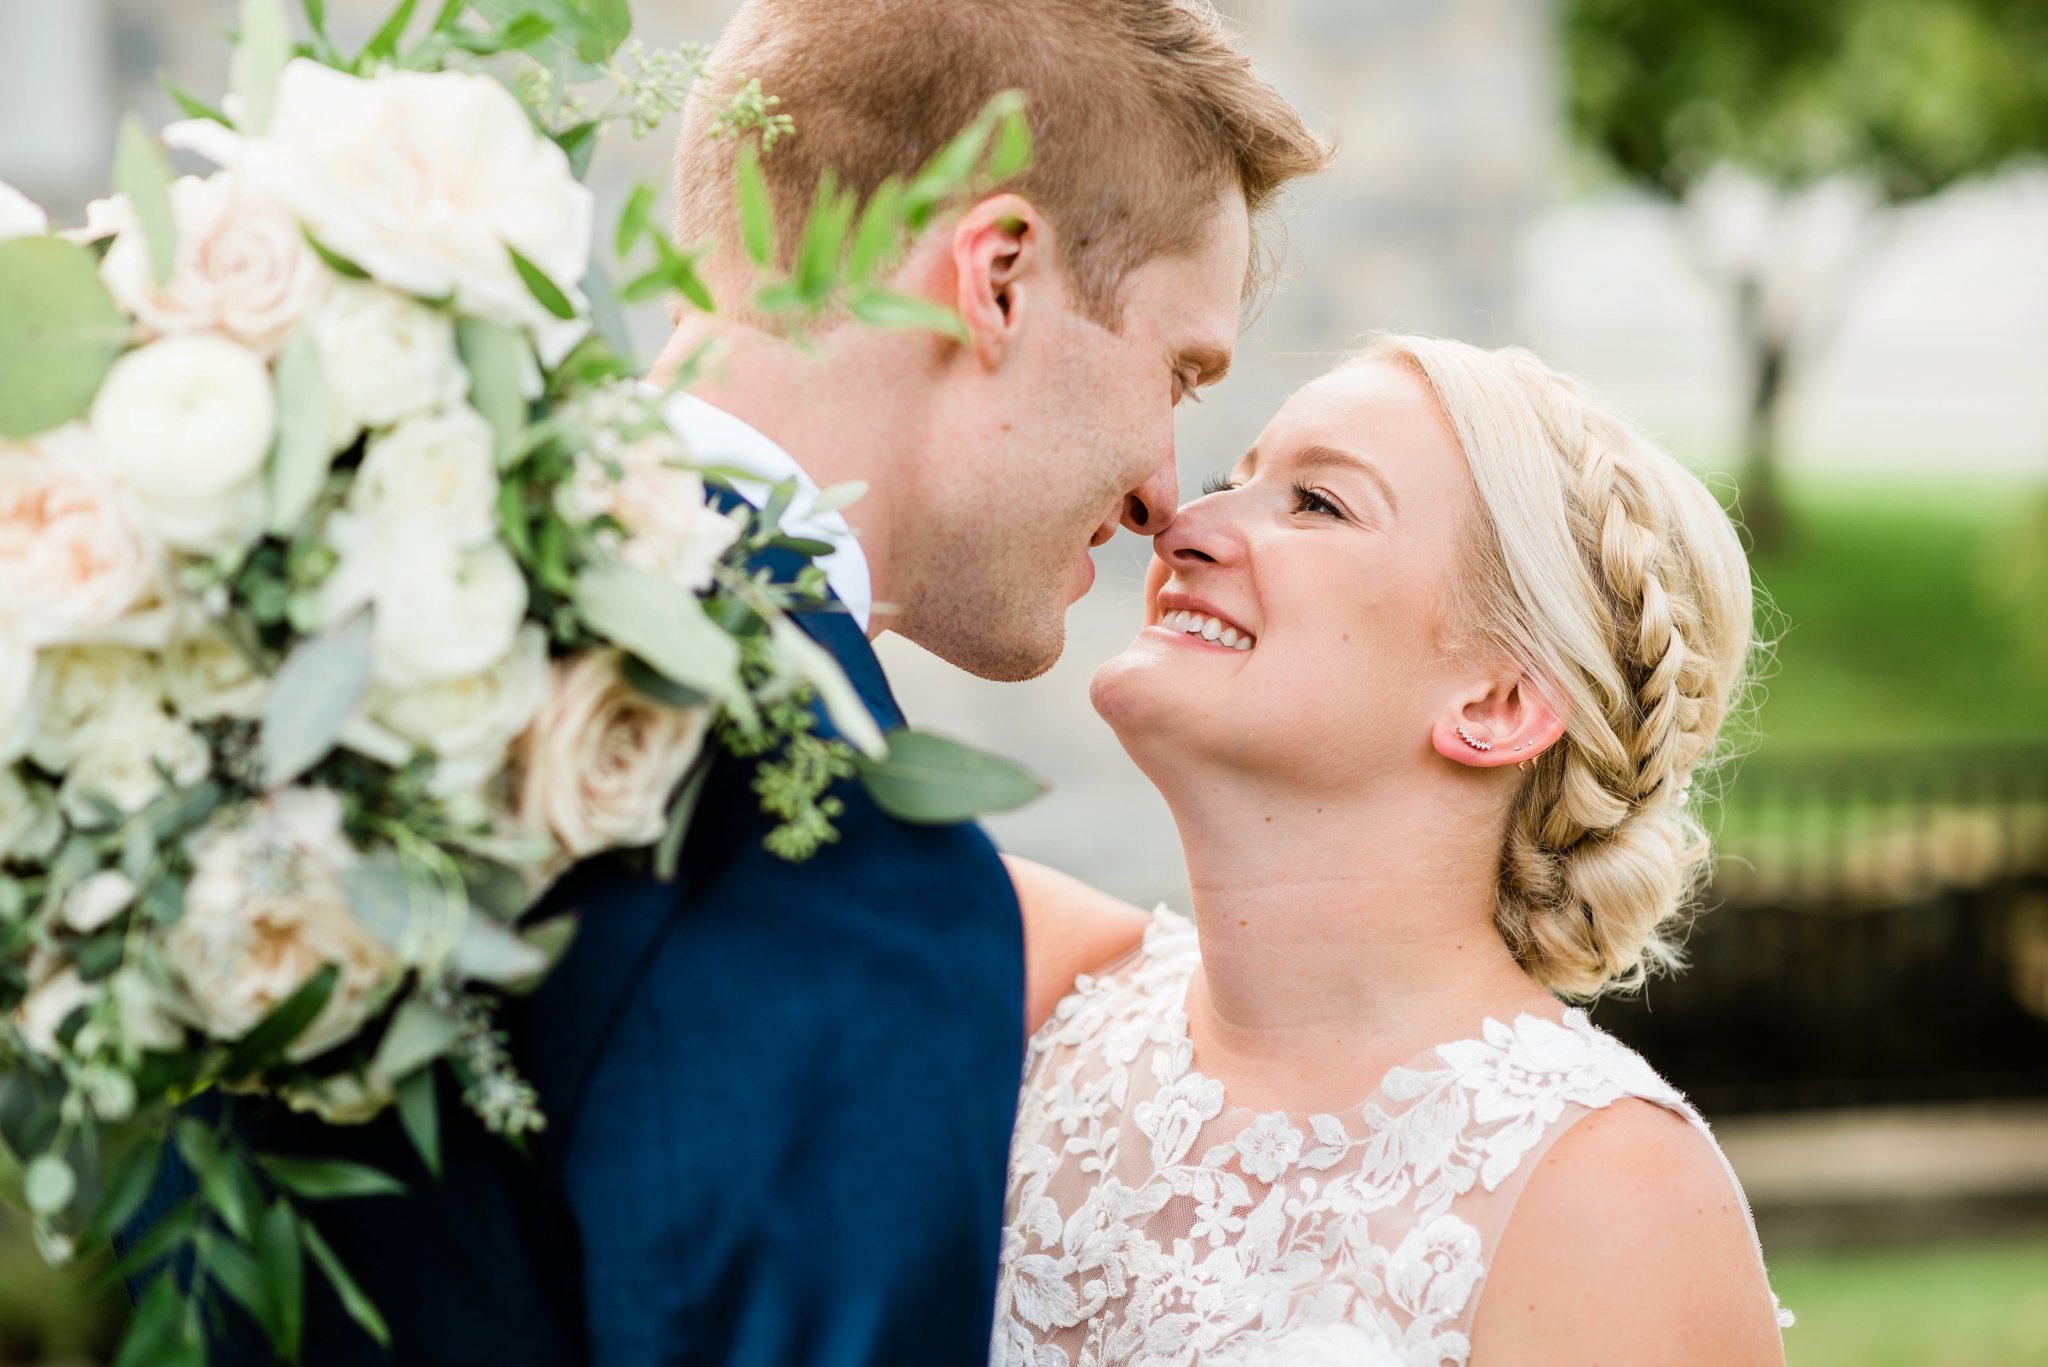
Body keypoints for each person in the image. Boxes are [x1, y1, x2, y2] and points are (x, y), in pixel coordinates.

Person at [119, 3, 1329, 1365]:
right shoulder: (841, 869)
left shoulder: (257, 621)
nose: (1169, 486)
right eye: (1178, 371)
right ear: (997, 276)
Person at [997, 337, 1793, 1365]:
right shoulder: (1026, 976)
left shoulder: (1607, 1192)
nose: (1182, 525)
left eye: (1315, 504)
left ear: (1496, 703)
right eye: (1228, 480)